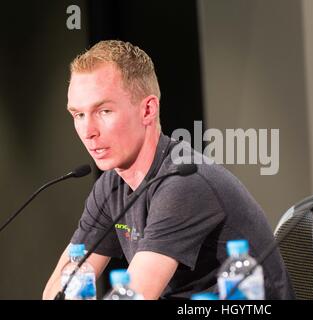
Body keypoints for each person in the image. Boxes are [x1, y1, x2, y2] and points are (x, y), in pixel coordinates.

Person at [42, 40, 294, 300]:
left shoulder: (184, 181)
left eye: (104, 111)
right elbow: (58, 289)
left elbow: (136, 296)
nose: (88, 131)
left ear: (148, 110)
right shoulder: (111, 186)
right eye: (78, 115)